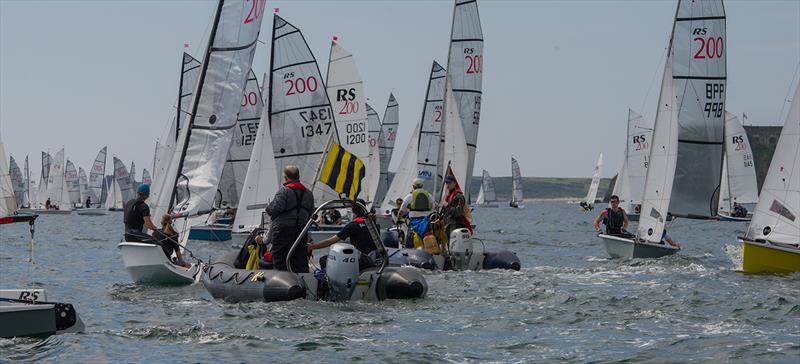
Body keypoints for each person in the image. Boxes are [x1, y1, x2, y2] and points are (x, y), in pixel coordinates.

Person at [258, 165, 314, 273]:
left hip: (283, 231)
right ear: (298, 176)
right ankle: (303, 283)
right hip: (301, 231)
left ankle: (280, 284)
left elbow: (275, 209)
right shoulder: (308, 194)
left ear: (285, 178)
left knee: (280, 261)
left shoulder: (284, 191)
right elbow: (310, 212)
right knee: (300, 260)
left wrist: (268, 208)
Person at [308, 199, 378, 270]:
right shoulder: (373, 223)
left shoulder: (352, 226)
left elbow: (330, 241)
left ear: (353, 210)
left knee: (323, 260)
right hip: (373, 258)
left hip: (360, 261)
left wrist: (312, 246)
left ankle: (328, 280)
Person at [399, 179, 434, 247]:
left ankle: (409, 249)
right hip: (426, 222)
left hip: (414, 223)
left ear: (413, 186)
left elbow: (401, 211)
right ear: (422, 186)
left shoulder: (409, 196)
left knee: (409, 240)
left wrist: (398, 219)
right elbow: (433, 208)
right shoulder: (429, 195)